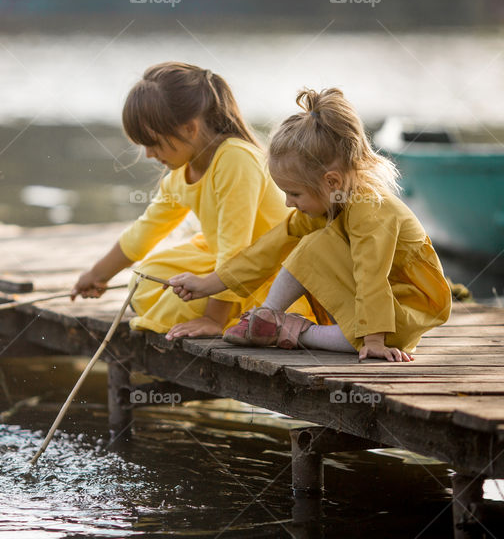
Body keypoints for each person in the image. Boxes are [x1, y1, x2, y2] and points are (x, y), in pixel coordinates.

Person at [168, 87, 452, 361]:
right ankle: (266, 316)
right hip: (372, 310)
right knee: (306, 243)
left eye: (295, 193)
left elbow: (371, 275)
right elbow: (268, 248)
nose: (289, 203)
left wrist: (375, 340)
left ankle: (294, 331)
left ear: (331, 181)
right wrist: (208, 284)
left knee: (320, 250)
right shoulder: (329, 203)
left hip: (402, 310)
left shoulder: (371, 211)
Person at [71, 61, 293, 339]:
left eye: (154, 143)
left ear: (189, 128)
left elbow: (235, 251)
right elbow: (145, 231)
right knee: (143, 282)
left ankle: (229, 314)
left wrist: (212, 318)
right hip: (221, 262)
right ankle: (216, 308)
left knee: (186, 305)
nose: (150, 155)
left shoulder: (235, 159)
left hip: (265, 271)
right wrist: (97, 274)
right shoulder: (181, 173)